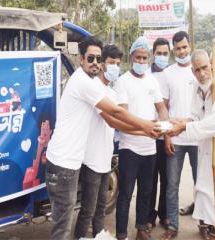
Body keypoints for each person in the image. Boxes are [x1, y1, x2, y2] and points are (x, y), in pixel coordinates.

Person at [45, 36, 160, 240]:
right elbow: (115, 114)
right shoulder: (83, 82)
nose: (95, 63)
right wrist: (146, 126)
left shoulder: (95, 84)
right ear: (81, 59)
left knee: (82, 216)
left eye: (99, 59)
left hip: (73, 162)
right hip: (64, 163)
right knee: (63, 226)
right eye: (91, 58)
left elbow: (115, 117)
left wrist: (146, 129)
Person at [167, 49, 215, 240]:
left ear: (211, 65)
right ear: (192, 71)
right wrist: (181, 121)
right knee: (209, 210)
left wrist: (185, 127)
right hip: (206, 154)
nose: (201, 73)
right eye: (197, 70)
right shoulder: (196, 86)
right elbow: (195, 116)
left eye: (204, 68)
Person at [114, 36, 172, 240]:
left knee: (146, 192)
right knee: (126, 194)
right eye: (138, 57)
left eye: (144, 58)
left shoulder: (152, 80)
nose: (141, 62)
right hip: (129, 147)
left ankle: (141, 229)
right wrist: (145, 129)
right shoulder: (122, 82)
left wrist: (163, 126)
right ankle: (121, 233)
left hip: (149, 148)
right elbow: (123, 115)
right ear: (131, 57)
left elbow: (162, 108)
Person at [73, 44, 126, 239]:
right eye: (112, 63)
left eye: (118, 64)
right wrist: (144, 128)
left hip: (105, 159)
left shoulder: (112, 93)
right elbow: (112, 118)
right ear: (102, 64)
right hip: (91, 160)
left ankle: (98, 236)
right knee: (88, 209)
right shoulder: (94, 88)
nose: (115, 67)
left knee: (101, 208)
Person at [161, 31, 198, 239]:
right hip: (175, 138)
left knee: (200, 183)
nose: (182, 51)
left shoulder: (199, 69)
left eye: (184, 47)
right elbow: (164, 107)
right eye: (178, 48)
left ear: (190, 45)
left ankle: (203, 223)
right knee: (171, 185)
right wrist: (167, 135)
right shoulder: (168, 73)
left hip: (197, 137)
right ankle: (173, 226)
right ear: (174, 50)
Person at [147, 38, 172, 231]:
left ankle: (164, 214)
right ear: (153, 53)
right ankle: (149, 216)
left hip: (167, 135)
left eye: (165, 53)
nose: (162, 56)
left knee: (166, 178)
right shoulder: (146, 75)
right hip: (148, 135)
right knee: (150, 179)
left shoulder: (171, 75)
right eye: (159, 53)